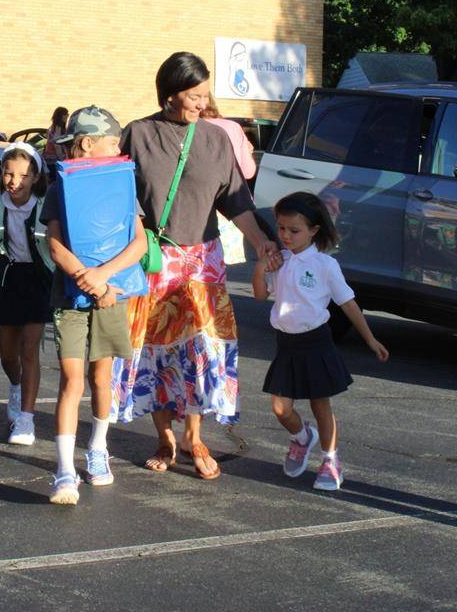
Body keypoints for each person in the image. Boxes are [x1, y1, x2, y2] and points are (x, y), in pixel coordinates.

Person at [111, 52, 280, 480]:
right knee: (156, 353)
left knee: (202, 350)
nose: (203, 104)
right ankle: (166, 438)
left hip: (203, 262)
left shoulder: (215, 139)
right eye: (194, 95)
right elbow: (116, 197)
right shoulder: (138, 134)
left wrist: (261, 242)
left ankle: (196, 436)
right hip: (152, 258)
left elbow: (236, 201)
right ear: (170, 95)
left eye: (206, 95)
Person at [40, 106, 147, 505]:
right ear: (87, 143)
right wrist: (87, 277)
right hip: (71, 298)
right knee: (72, 381)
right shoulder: (59, 188)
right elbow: (54, 245)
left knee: (103, 379)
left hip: (111, 296)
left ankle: (98, 450)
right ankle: (65, 469)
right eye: (112, 142)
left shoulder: (122, 186)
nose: (118, 148)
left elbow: (139, 242)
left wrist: (104, 277)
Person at [252, 191, 389, 490]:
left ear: (314, 230)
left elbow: (349, 304)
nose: (285, 236)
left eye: (294, 230)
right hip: (286, 345)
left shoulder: (326, 266)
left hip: (316, 342)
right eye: (281, 228)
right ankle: (302, 437)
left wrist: (370, 339)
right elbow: (261, 295)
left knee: (320, 404)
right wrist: (261, 267)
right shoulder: (280, 261)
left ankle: (330, 459)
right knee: (280, 408)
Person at [0, 142, 53, 447]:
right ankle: (15, 385)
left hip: (37, 278)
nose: (14, 181)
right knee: (9, 356)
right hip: (8, 277)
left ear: (35, 177)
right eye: (8, 174)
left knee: (29, 350)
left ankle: (26, 419)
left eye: (22, 176)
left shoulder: (46, 205)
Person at [200, 94, 256, 181]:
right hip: (229, 190)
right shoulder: (233, 127)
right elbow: (247, 172)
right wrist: (248, 152)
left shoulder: (187, 127)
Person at [43, 106, 69, 179]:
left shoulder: (51, 128)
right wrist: (63, 159)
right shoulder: (59, 129)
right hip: (55, 161)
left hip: (49, 160)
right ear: (62, 116)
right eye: (66, 115)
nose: (67, 117)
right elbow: (57, 144)